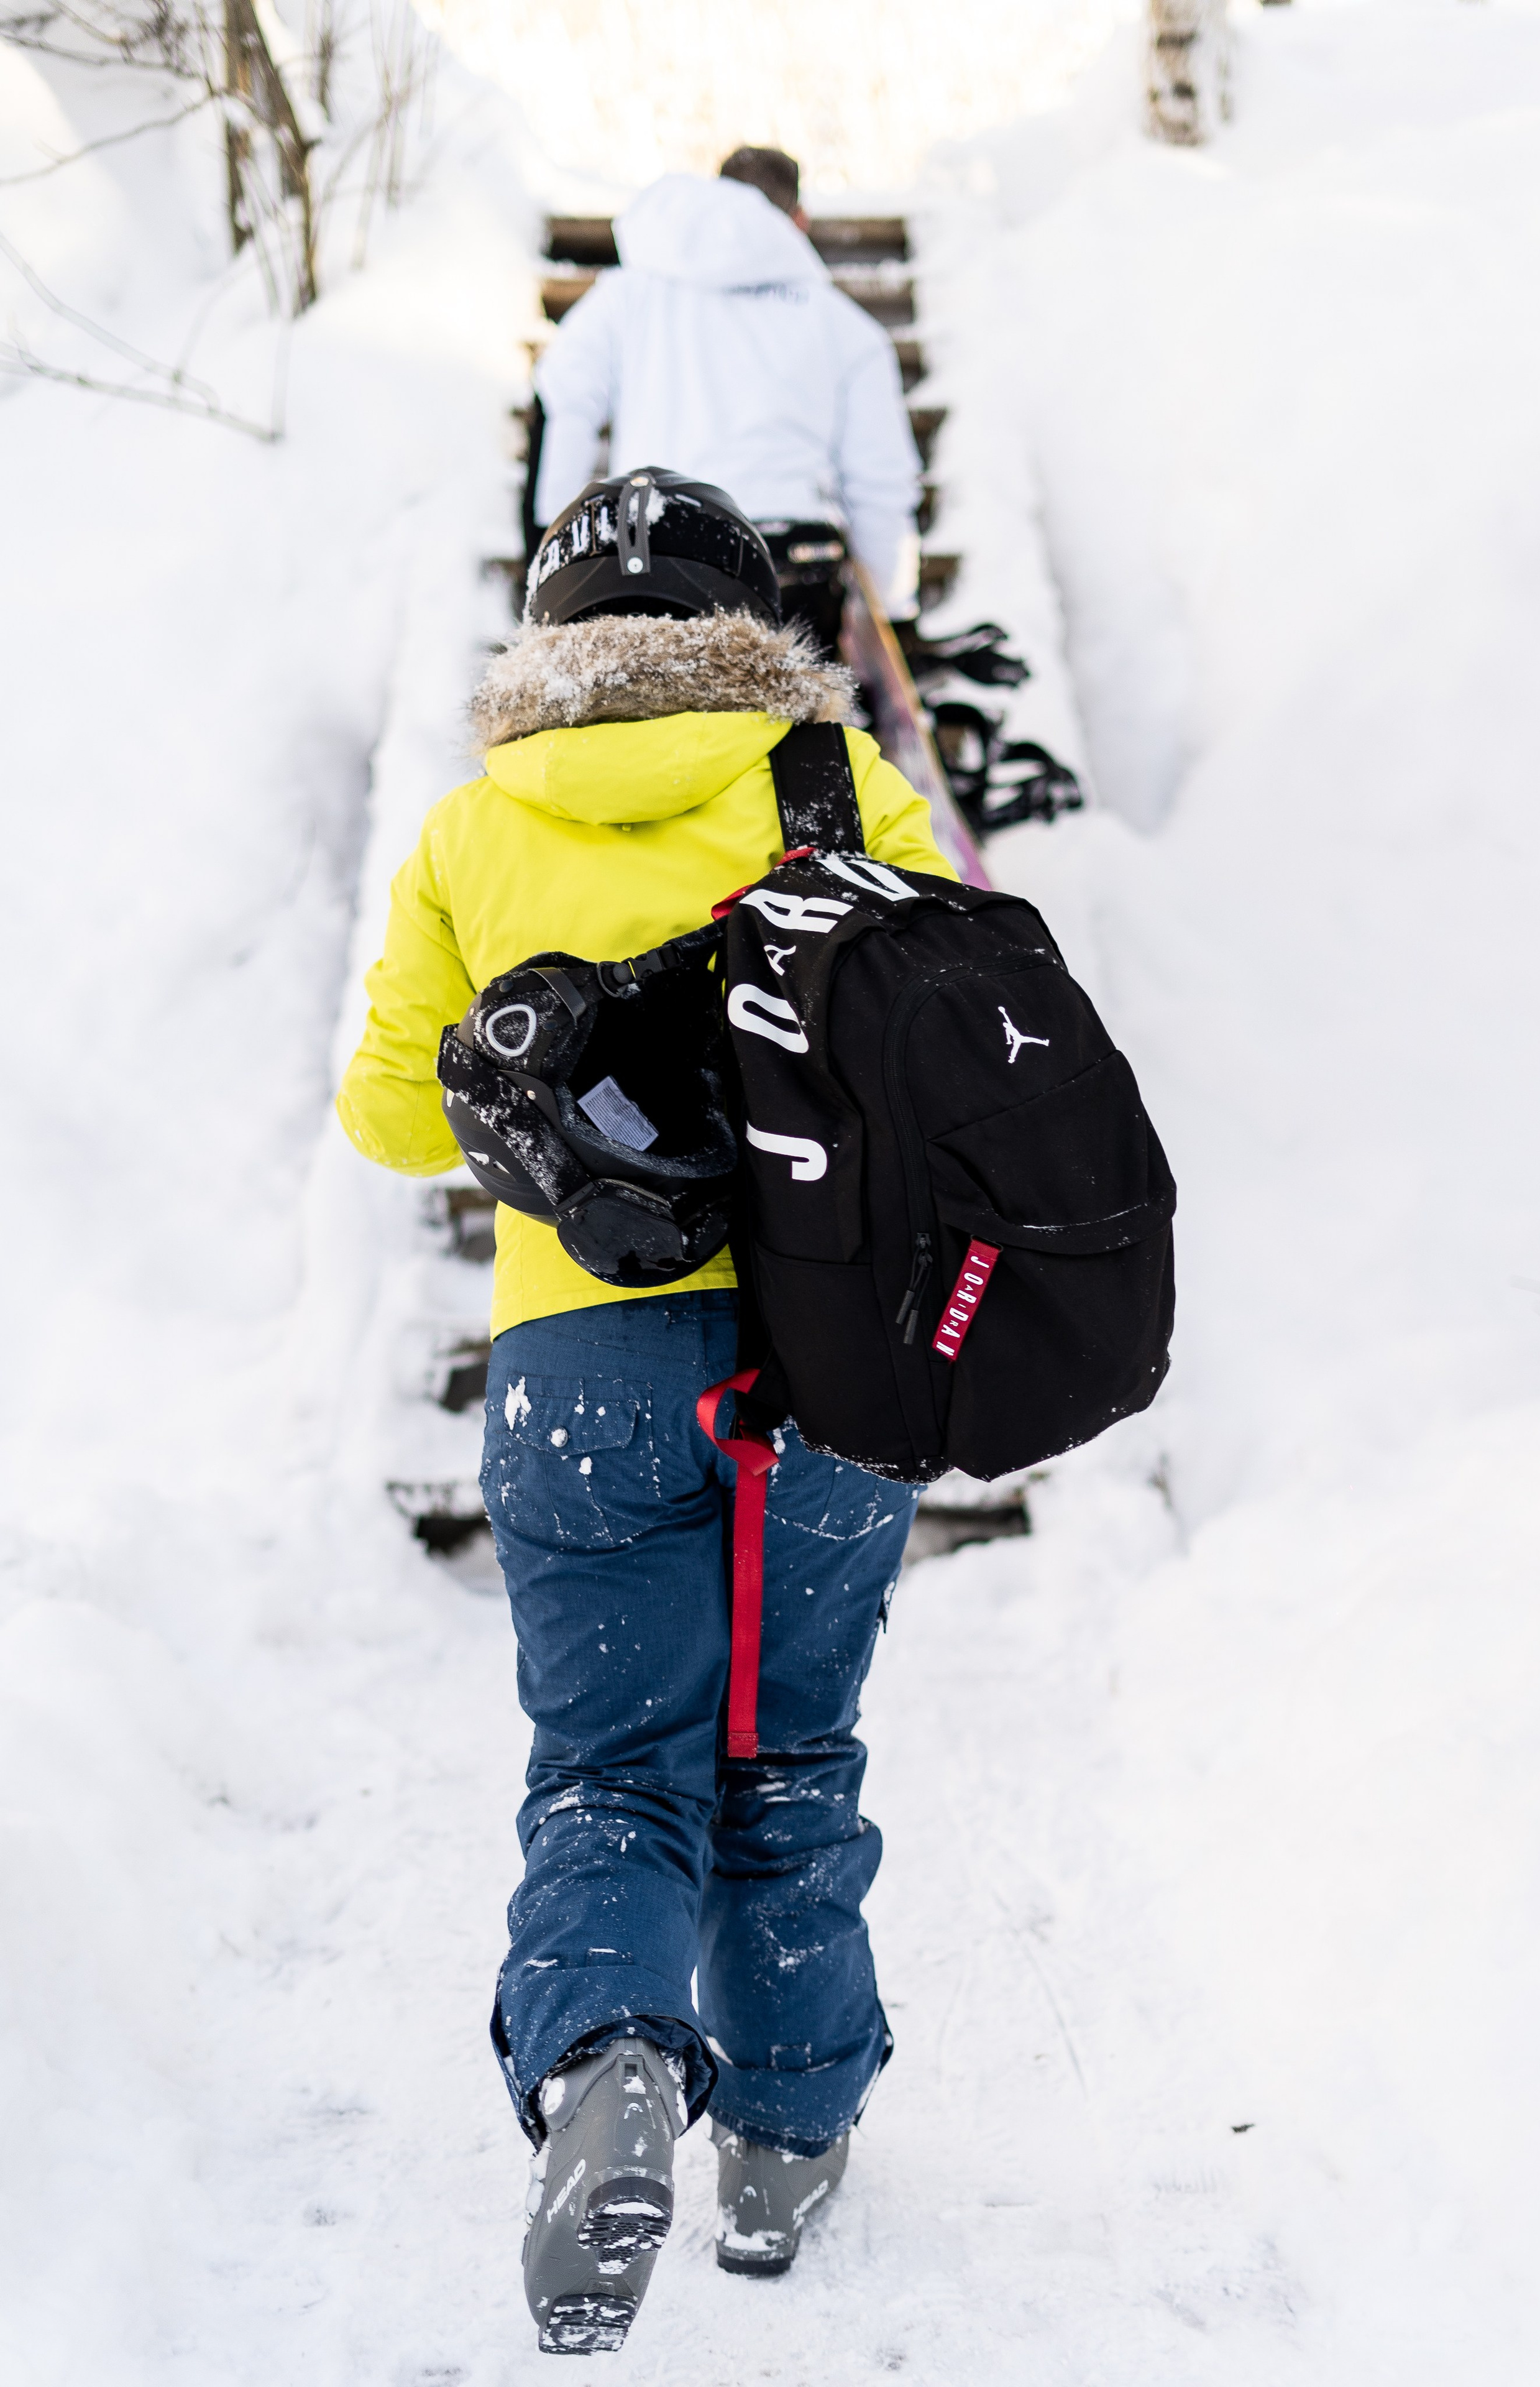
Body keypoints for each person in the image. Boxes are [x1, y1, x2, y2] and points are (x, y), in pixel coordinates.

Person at [336, 472, 956, 2355]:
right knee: (787, 1751)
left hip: (578, 1364)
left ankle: (608, 2054)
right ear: (749, 623)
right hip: (824, 1363)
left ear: (550, 634)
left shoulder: (471, 821)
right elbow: (962, 1052)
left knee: (613, 1763)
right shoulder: (839, 795)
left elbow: (382, 1114)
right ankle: (783, 2138)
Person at [531, 149, 923, 648]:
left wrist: (553, 551)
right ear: (798, 221)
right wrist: (894, 607)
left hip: (656, 547)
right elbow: (879, 481)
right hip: (793, 555)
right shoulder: (841, 323)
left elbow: (565, 402)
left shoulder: (627, 294)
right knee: (788, 721)